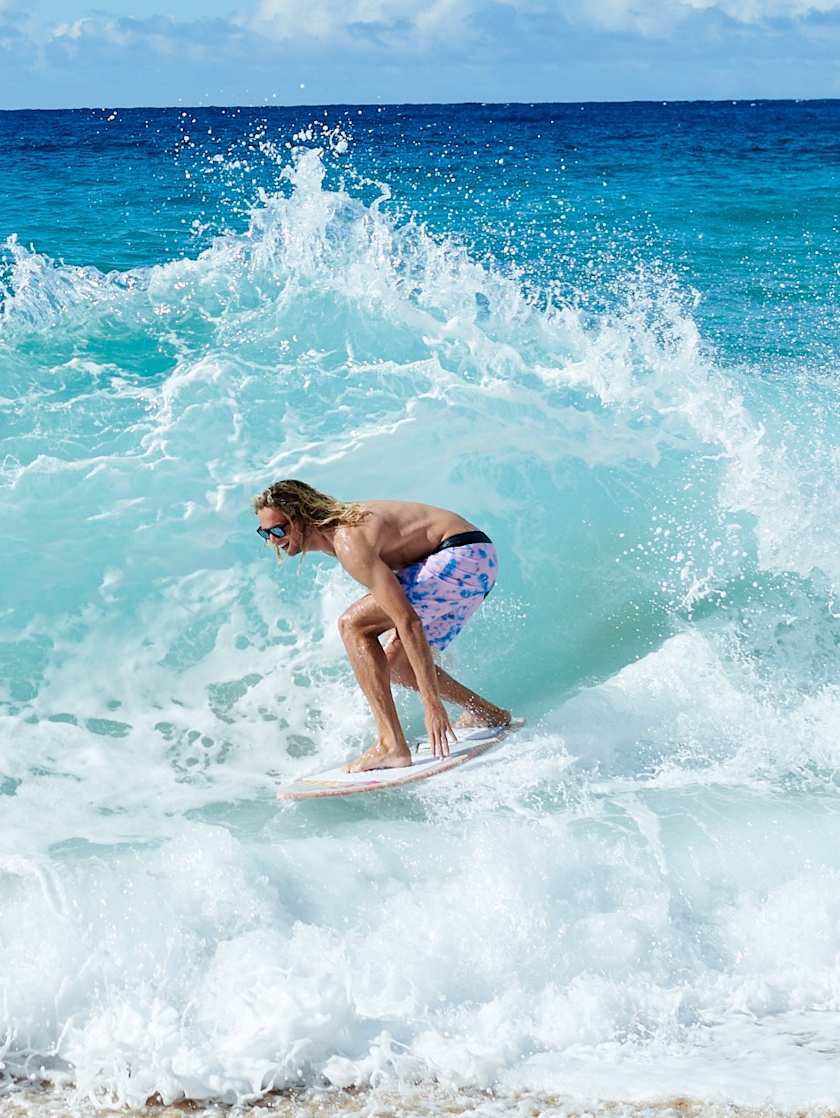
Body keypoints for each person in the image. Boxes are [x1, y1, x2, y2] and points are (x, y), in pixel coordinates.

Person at [253, 479, 510, 773]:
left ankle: (391, 745)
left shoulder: (347, 541)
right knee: (398, 665)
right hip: (477, 560)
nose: (273, 539)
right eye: (265, 532)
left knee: (353, 625)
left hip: (460, 557)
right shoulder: (341, 532)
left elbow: (407, 619)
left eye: (279, 529)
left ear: (301, 517)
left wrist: (431, 703)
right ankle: (488, 713)